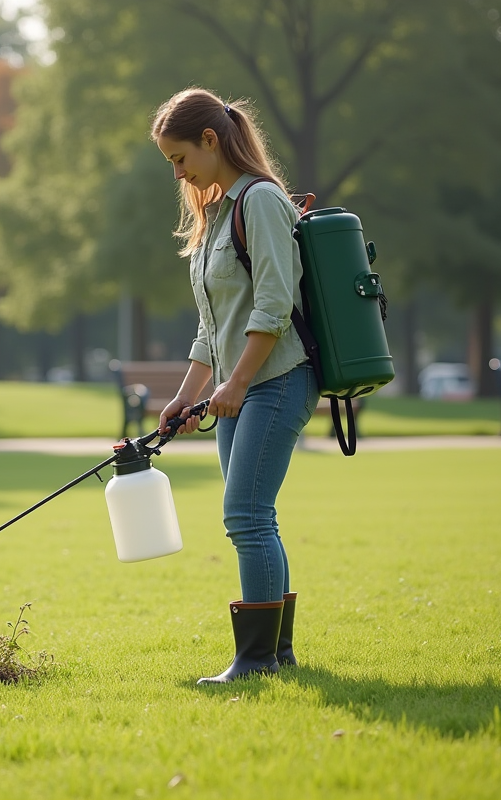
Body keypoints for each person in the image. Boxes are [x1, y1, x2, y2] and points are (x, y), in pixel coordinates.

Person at [151, 87, 317, 684]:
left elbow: (273, 306)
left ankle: (255, 660)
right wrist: (185, 393)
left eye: (180, 158)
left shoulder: (262, 202)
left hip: (277, 381)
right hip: (240, 390)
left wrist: (238, 384)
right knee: (255, 517)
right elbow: (211, 326)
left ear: (211, 140)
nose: (179, 171)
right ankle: (279, 653)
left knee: (245, 515)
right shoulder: (218, 212)